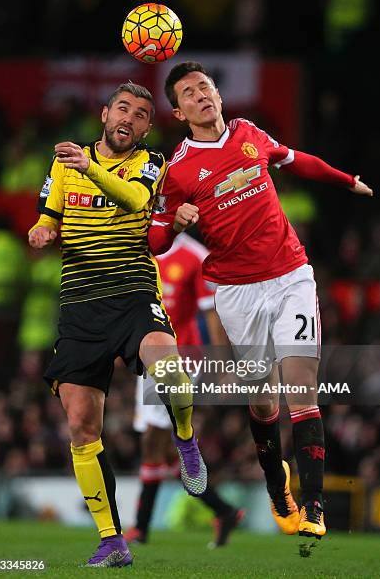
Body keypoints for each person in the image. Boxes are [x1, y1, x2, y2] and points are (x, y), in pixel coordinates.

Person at [148, 62, 373, 543]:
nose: (202, 95)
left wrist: (344, 179)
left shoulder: (249, 133)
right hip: (236, 290)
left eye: (206, 86)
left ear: (218, 94)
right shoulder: (179, 171)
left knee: (301, 389)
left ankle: (314, 508)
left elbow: (297, 160)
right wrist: (175, 224)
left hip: (291, 274)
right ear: (178, 110)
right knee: (263, 399)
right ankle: (278, 488)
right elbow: (155, 239)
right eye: (190, 92)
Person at [28, 83, 207, 568]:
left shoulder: (151, 163)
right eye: (123, 108)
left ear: (148, 127)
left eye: (142, 114)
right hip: (80, 306)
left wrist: (91, 170)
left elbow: (134, 201)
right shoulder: (66, 162)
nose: (130, 117)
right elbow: (50, 215)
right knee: (82, 427)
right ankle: (112, 540)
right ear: (106, 114)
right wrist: (43, 229)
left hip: (132, 295)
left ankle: (186, 440)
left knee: (170, 371)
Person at [125, 232, 244, 547]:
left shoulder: (195, 256)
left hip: (182, 358)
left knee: (155, 439)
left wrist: (221, 365)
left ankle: (140, 528)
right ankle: (224, 511)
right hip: (148, 355)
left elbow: (211, 314)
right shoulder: (140, 248)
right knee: (163, 449)